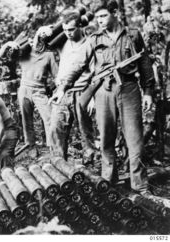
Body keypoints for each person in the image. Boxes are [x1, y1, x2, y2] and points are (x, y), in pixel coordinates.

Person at [50, 0, 154, 195]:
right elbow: (79, 65)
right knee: (106, 137)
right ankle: (109, 182)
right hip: (103, 91)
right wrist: (63, 88)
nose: (99, 21)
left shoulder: (133, 35)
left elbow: (145, 64)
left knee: (135, 139)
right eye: (97, 17)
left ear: (115, 13)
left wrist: (148, 92)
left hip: (129, 89)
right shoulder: (94, 39)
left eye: (103, 16)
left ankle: (140, 186)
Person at [0, 28, 58, 152]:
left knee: (49, 118)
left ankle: (53, 147)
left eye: (42, 39)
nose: (37, 43)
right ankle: (31, 146)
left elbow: (56, 75)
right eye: (36, 39)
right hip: (24, 89)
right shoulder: (23, 53)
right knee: (26, 120)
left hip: (40, 91)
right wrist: (8, 44)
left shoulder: (49, 55)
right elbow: (1, 57)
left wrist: (58, 91)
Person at [47, 10, 96, 162]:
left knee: (85, 132)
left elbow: (95, 73)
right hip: (62, 91)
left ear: (80, 27)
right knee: (56, 129)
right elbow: (40, 46)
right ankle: (60, 165)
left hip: (83, 91)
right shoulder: (62, 43)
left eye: (71, 29)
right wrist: (43, 32)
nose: (68, 33)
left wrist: (92, 96)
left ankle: (90, 168)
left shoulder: (90, 44)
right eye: (65, 30)